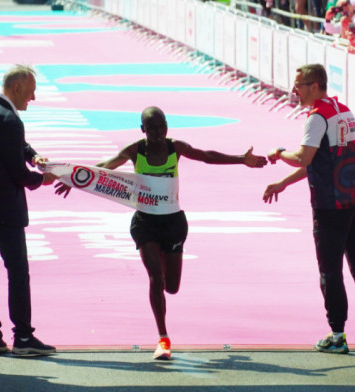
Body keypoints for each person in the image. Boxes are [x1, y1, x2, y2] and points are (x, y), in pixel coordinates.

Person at [55, 106, 267, 360]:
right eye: (152, 127)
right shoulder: (135, 150)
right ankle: (163, 339)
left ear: (167, 126)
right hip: (145, 223)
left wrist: (241, 159)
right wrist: (75, 178)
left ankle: (165, 284)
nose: (157, 132)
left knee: (172, 287)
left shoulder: (175, 147)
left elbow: (206, 156)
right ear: (142, 130)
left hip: (173, 222)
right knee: (155, 276)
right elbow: (106, 167)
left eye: (162, 126)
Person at [263, 64, 355, 354]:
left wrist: (280, 154)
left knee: (330, 271)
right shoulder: (344, 111)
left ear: (316, 85)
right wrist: (283, 183)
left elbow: (304, 157)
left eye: (300, 85)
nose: (295, 90)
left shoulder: (317, 117)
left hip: (331, 204)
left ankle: (338, 334)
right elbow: (321, 161)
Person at [0, 64, 59, 356]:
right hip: (3, 210)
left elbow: (12, 144)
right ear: (17, 88)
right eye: (30, 92)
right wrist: (44, 178)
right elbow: (19, 175)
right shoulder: (10, 121)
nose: (33, 98)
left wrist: (32, 154)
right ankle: (23, 337)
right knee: (17, 270)